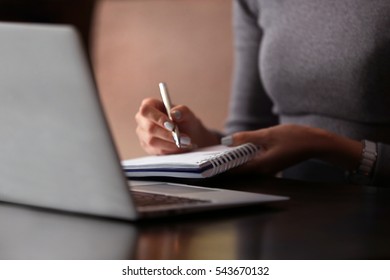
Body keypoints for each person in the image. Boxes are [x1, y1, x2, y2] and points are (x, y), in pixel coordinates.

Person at [135, 0, 390, 186]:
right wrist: (197, 140)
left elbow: (306, 141)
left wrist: (323, 145)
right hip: (292, 212)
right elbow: (249, 128)